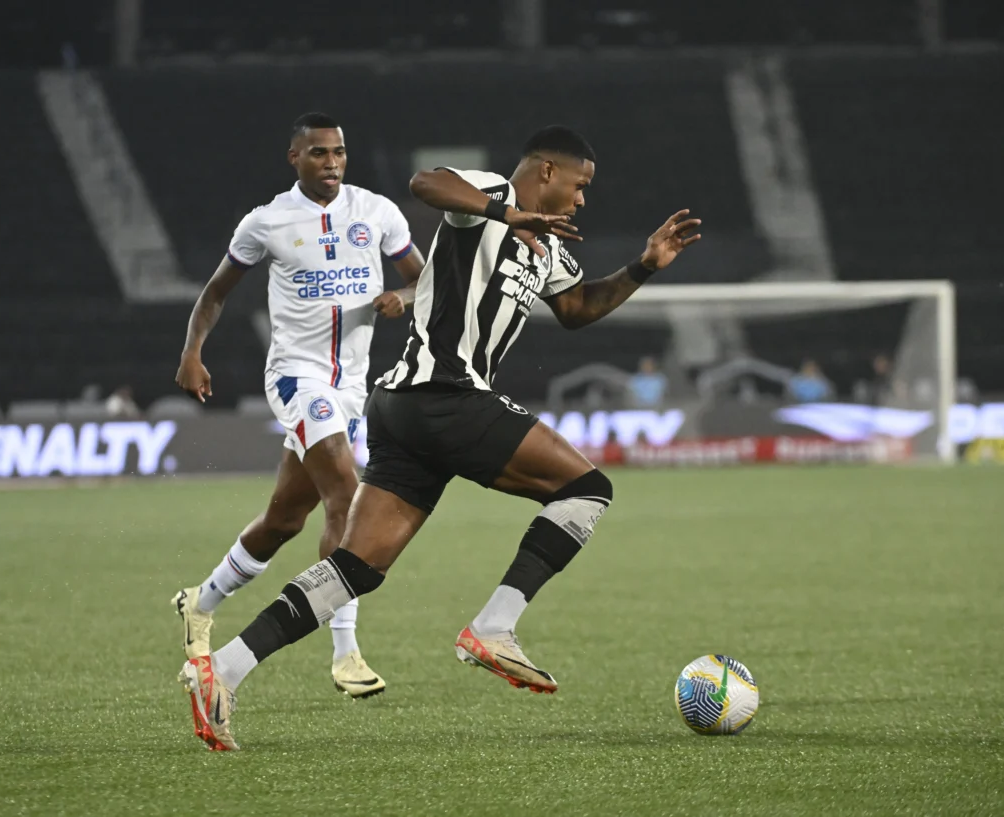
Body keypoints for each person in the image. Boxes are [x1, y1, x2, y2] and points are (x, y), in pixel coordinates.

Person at [189, 125, 702, 750]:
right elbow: (424, 184)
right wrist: (504, 212)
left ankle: (225, 671)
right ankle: (495, 625)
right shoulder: (485, 197)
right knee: (586, 489)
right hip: (445, 394)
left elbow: (577, 310)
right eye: (579, 184)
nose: (582, 199)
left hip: (403, 410)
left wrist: (644, 266)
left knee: (355, 568)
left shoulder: (551, 250)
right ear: (544, 171)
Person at [172, 112, 426, 740]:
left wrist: (407, 300)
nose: (332, 162)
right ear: (295, 158)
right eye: (318, 153)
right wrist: (191, 351)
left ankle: (199, 602)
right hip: (297, 377)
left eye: (339, 152)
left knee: (286, 518)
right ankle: (345, 650)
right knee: (348, 490)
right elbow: (215, 292)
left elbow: (426, 281)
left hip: (350, 389)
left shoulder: (378, 212)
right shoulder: (266, 222)